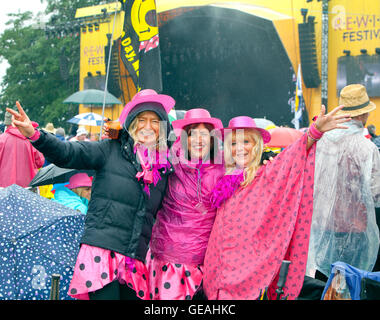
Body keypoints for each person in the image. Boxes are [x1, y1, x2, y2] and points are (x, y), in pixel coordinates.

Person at [6, 89, 175, 300]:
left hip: (135, 259)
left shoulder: (164, 169)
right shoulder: (109, 150)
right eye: (142, 119)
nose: (148, 126)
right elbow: (68, 153)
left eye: (154, 121)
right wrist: (35, 135)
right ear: (132, 123)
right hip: (102, 253)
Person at [202, 104, 351, 300]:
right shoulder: (225, 175)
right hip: (217, 269)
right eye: (233, 143)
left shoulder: (267, 172)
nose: (239, 148)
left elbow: (291, 158)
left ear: (256, 144)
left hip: (245, 274)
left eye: (246, 141)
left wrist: (314, 132)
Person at [145, 108, 225, 300]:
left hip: (205, 263)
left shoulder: (225, 169)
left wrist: (264, 160)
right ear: (184, 138)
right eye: (192, 134)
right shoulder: (168, 162)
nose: (199, 140)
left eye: (204, 134)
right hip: (166, 260)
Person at [306, 84, 380, 281]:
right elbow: (376, 194)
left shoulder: (320, 141)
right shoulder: (368, 148)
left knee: (323, 280)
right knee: (350, 282)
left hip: (321, 225)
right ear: (364, 115)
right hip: (354, 229)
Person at [0, 112, 45, 188]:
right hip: (28, 187)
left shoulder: (1, 139)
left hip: (4, 188)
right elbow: (40, 162)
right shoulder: (31, 140)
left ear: (6, 124)